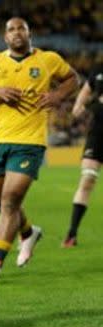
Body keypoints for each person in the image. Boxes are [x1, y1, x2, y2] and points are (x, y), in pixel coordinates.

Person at [0, 17, 79, 282]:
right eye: (11, 29)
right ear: (5, 37)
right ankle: (28, 232)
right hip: (0, 139)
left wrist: (58, 96)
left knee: (10, 199)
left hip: (30, 141)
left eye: (21, 28)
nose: (16, 33)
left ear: (30, 33)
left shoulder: (48, 59)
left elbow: (72, 78)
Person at [62, 63, 103, 248]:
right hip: (98, 132)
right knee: (87, 179)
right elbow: (86, 90)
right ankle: (72, 233)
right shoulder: (98, 69)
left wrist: (91, 104)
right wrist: (78, 105)